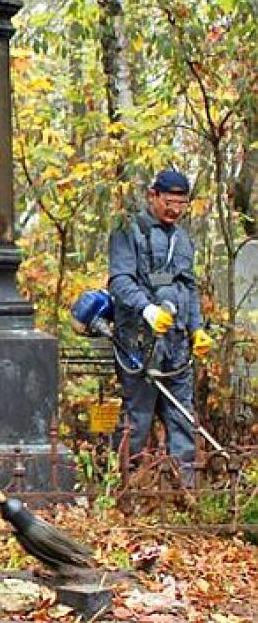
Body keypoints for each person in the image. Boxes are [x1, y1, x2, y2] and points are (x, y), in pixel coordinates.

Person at [109, 169, 213, 486]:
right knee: (137, 418)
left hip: (178, 342)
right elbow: (119, 280)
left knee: (182, 415)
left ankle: (185, 491)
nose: (175, 210)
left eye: (182, 204)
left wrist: (196, 328)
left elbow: (188, 287)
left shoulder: (182, 239)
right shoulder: (129, 230)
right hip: (139, 340)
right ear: (153, 196)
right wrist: (147, 309)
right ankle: (124, 488)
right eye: (169, 202)